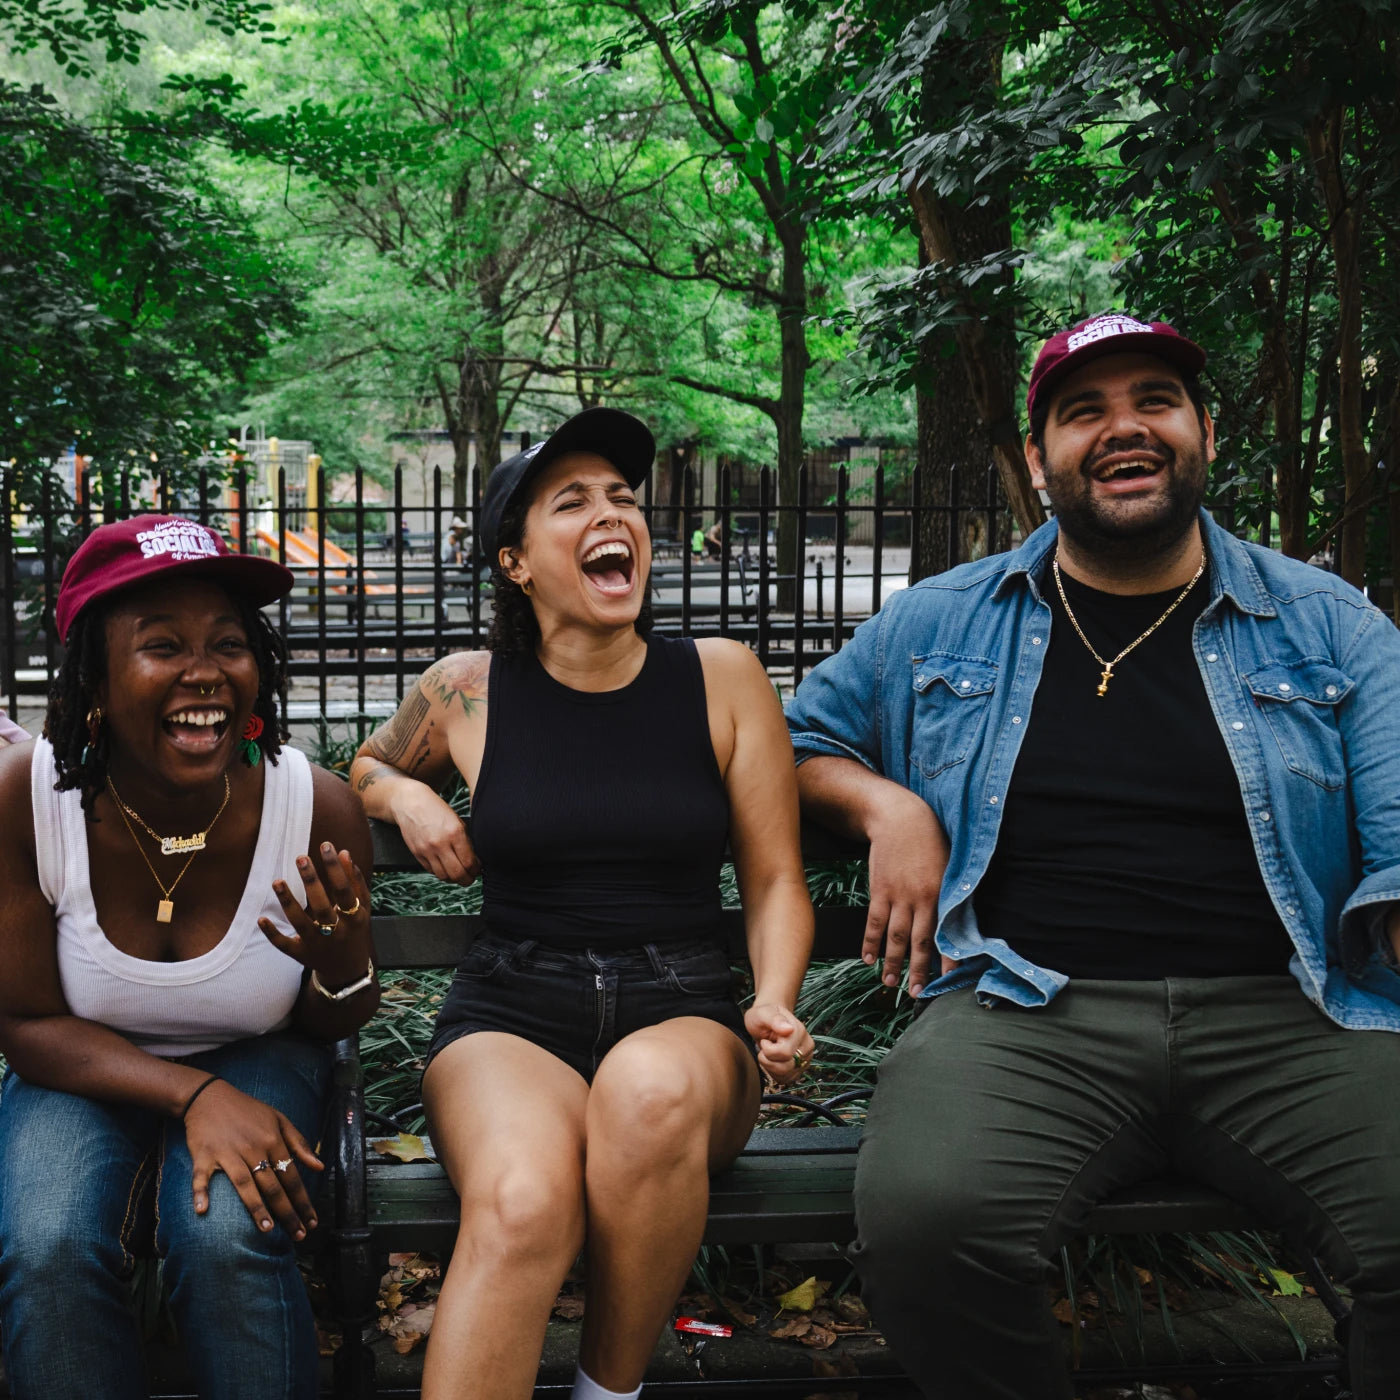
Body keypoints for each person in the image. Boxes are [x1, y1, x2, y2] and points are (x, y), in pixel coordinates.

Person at [784, 312, 1400, 1399]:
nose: (1124, 429)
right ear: (1037, 459)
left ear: (1203, 431)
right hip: (1023, 1013)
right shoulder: (939, 620)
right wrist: (883, 802)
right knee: (929, 1222)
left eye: (1153, 402)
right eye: (1083, 413)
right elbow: (789, 744)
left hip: (1291, 1014)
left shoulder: (1330, 627)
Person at [349, 406, 815, 1400]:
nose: (613, 516)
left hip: (683, 1012)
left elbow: (774, 875)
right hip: (513, 1011)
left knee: (643, 1093)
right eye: (573, 503)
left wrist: (771, 995)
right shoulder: (465, 690)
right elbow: (366, 764)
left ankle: (608, 1391)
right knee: (519, 1200)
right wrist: (406, 792)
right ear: (514, 561)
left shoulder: (722, 676)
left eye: (622, 499)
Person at [0, 515, 380, 1400]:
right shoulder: (28, 801)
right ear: (94, 676)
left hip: (261, 1056)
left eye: (229, 643)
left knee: (226, 1232)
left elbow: (335, 1017)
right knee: (46, 1242)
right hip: (75, 1067)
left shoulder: (313, 809)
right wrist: (197, 1096)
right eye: (162, 645)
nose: (205, 671)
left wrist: (342, 960)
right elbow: (23, 1027)